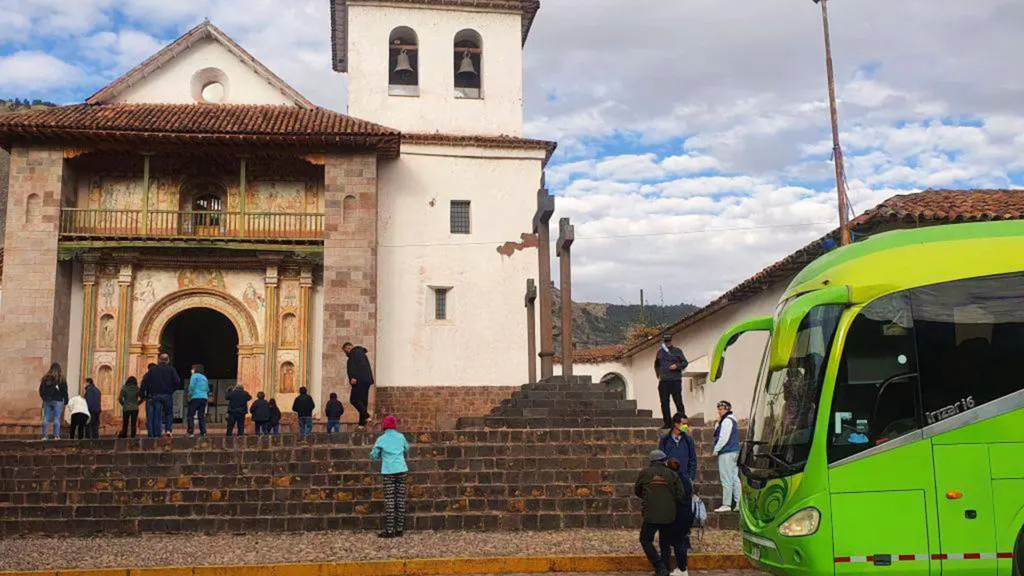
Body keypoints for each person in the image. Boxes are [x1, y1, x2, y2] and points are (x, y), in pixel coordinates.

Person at [634, 449, 686, 576]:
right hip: (669, 515)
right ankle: (665, 568)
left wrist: (649, 498)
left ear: (651, 461)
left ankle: (659, 566)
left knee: (645, 539)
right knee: (665, 542)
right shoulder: (672, 474)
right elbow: (681, 495)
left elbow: (638, 490)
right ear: (664, 461)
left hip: (651, 514)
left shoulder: (645, 473)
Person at [370, 415, 409, 538]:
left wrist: (380, 456)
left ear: (384, 426)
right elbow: (406, 449)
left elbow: (374, 454)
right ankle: (399, 529)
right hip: (401, 469)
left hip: (388, 471)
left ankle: (390, 530)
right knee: (400, 499)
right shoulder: (401, 437)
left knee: (390, 500)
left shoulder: (381, 439)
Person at [664, 458, 694, 576]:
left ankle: (682, 569)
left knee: (678, 542)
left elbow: (678, 497)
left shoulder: (676, 479)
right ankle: (682, 568)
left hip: (680, 514)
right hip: (686, 513)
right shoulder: (685, 478)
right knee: (681, 541)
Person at [713, 400, 741, 512]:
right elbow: (717, 430)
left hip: (727, 452)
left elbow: (723, 437)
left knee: (726, 479)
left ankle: (726, 504)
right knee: (734, 478)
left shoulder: (727, 421)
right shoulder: (730, 420)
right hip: (733, 452)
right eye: (719, 409)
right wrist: (718, 421)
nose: (719, 411)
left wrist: (716, 449)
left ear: (727, 409)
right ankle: (738, 502)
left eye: (721, 409)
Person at [654, 335, 688, 429]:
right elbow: (656, 364)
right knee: (664, 403)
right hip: (664, 382)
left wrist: (676, 366)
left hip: (675, 380)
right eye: (666, 341)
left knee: (678, 402)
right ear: (663, 341)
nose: (667, 343)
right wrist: (658, 374)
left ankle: (682, 424)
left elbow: (685, 363)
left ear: (671, 341)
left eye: (668, 341)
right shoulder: (660, 352)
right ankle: (667, 424)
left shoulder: (677, 351)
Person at [658, 413, 697, 484]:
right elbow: (661, 460)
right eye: (684, 424)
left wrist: (691, 477)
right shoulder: (665, 440)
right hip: (669, 478)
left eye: (687, 424)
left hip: (685, 478)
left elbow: (693, 459)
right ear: (676, 424)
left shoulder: (688, 440)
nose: (686, 426)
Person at [344, 342, 374, 428]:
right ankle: (361, 424)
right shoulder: (360, 352)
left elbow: (359, 365)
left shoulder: (355, 352)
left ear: (349, 348)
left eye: (345, 350)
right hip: (365, 380)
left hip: (359, 381)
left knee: (354, 400)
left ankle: (366, 416)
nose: (346, 353)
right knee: (362, 402)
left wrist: (353, 377)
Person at [150, 354, 181, 437]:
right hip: (167, 394)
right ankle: (168, 430)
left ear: (159, 360)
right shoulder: (171, 369)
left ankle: (157, 434)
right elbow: (177, 381)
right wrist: (172, 390)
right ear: (168, 360)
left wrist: (152, 391)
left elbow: (148, 381)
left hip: (156, 395)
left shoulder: (153, 369)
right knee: (169, 413)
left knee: (157, 414)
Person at [38, 363, 69, 440]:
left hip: (47, 400)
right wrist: (65, 400)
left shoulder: (45, 378)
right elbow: (65, 390)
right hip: (58, 400)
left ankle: (45, 436)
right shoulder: (61, 378)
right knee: (56, 418)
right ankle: (56, 435)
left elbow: (41, 390)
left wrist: (44, 397)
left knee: (46, 418)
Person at [186, 364, 209, 438]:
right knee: (201, 415)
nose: (191, 370)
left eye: (193, 368)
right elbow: (207, 389)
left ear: (196, 369)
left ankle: (190, 432)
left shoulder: (194, 376)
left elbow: (192, 386)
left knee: (190, 414)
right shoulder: (204, 378)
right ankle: (203, 432)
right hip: (204, 398)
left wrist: (190, 395)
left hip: (195, 397)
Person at [139, 363, 158, 438]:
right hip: (158, 397)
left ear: (148, 368)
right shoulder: (158, 376)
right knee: (157, 416)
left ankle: (150, 433)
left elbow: (142, 387)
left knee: (149, 417)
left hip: (149, 397)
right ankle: (157, 433)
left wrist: (142, 397)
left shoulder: (146, 376)